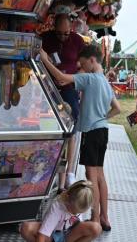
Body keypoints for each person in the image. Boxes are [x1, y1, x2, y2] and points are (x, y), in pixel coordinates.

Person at [40, 45, 121, 231]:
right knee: (100, 175)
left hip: (91, 133)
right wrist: (102, 117)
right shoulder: (104, 81)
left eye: (83, 63)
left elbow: (61, 77)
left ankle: (94, 218)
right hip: (103, 131)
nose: (80, 66)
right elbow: (117, 107)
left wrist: (45, 59)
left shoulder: (90, 79)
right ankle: (104, 217)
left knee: (90, 177)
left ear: (92, 60)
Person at [41, 13, 86, 189]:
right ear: (53, 27)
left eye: (66, 33)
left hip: (69, 91)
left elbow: (84, 69)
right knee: (49, 128)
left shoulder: (78, 41)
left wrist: (71, 78)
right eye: (59, 33)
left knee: (71, 131)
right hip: (48, 89)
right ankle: (50, 171)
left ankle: (69, 174)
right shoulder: (46, 39)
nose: (62, 36)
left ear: (72, 28)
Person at [20, 180, 102, 242]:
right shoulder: (57, 207)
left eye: (79, 211)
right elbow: (42, 235)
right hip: (52, 234)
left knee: (96, 228)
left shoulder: (81, 199)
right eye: (73, 210)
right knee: (26, 227)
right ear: (68, 198)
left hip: (69, 234)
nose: (75, 213)